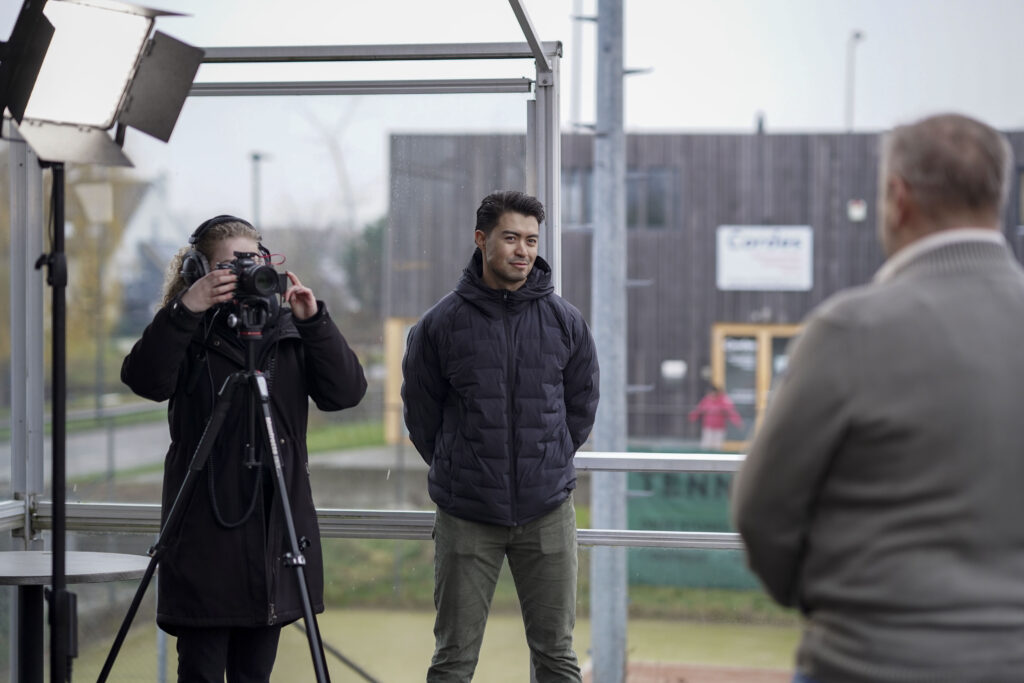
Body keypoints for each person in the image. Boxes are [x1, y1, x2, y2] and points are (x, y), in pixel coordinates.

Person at [731, 113, 1024, 683]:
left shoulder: (849, 330)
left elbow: (762, 511)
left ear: (897, 197)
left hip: (865, 660)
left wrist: (829, 605)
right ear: (998, 196)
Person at [121, 215, 367, 683]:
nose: (243, 274)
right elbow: (144, 379)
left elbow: (347, 393)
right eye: (227, 266)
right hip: (203, 542)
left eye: (253, 261)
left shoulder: (289, 331)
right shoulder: (188, 332)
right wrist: (186, 310)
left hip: (273, 540)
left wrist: (314, 322)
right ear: (198, 270)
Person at [402, 190, 599, 682]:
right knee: (453, 661)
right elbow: (422, 416)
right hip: (466, 514)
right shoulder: (439, 325)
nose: (523, 250)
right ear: (481, 239)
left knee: (557, 657)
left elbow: (580, 406)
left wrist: (545, 461)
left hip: (547, 512)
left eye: (531, 240)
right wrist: (463, 464)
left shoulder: (565, 322)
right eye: (511, 237)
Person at [688, 384, 742, 450]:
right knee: (706, 446)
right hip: (708, 428)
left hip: (719, 429)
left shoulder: (724, 400)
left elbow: (731, 412)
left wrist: (737, 422)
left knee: (717, 447)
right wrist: (692, 417)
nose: (711, 395)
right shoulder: (706, 400)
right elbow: (699, 410)